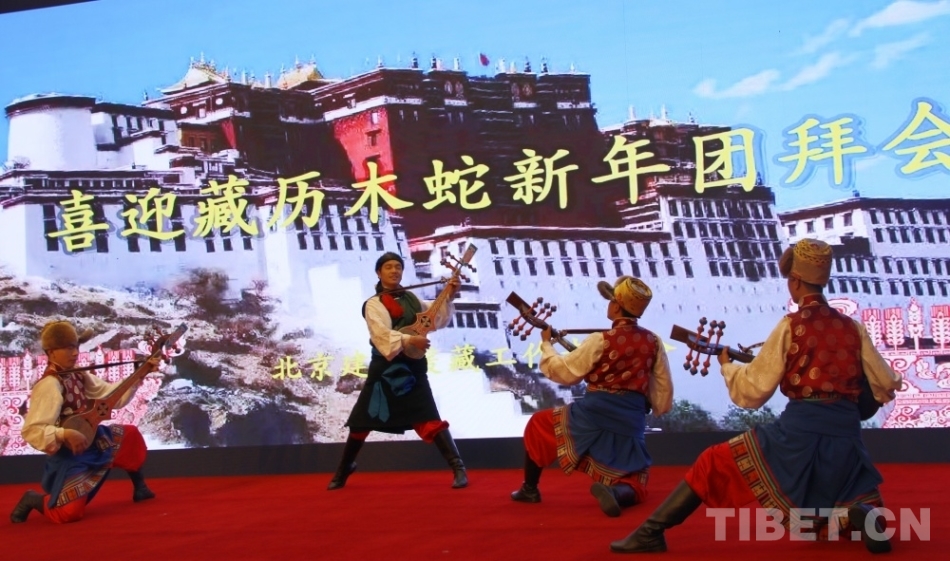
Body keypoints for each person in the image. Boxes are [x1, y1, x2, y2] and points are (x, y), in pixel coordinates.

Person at [610, 239, 903, 554]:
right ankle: (865, 514)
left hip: (800, 430)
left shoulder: (791, 326)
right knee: (854, 492)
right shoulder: (852, 327)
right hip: (846, 432)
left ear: (795, 281)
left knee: (713, 462)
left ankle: (651, 533)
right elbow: (886, 381)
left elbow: (754, 390)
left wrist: (727, 367)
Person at [511, 276, 673, 517]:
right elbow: (662, 384)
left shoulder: (600, 340)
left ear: (616, 306)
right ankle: (616, 493)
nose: (609, 305)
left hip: (594, 414)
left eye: (611, 301)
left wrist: (547, 345)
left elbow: (565, 372)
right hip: (631, 419)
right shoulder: (653, 340)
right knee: (634, 479)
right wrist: (656, 406)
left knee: (539, 424)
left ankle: (530, 489)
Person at [327, 251, 467, 490]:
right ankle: (344, 468)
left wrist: (449, 295)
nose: (394, 271)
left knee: (428, 416)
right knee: (362, 422)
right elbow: (380, 334)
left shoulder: (412, 298)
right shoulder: (374, 304)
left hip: (413, 366)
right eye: (388, 267)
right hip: (385, 368)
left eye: (398, 267)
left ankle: (458, 467)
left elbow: (431, 318)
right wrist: (410, 340)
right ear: (379, 272)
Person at [10, 320, 161, 524]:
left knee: (130, 435)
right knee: (68, 513)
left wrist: (140, 374)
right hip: (72, 454)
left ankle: (140, 487)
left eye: (76, 347)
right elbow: (32, 431)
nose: (75, 353)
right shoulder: (49, 385)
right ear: (51, 352)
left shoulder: (78, 375)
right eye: (68, 348)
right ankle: (32, 499)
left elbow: (110, 395)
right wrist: (64, 434)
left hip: (92, 439)